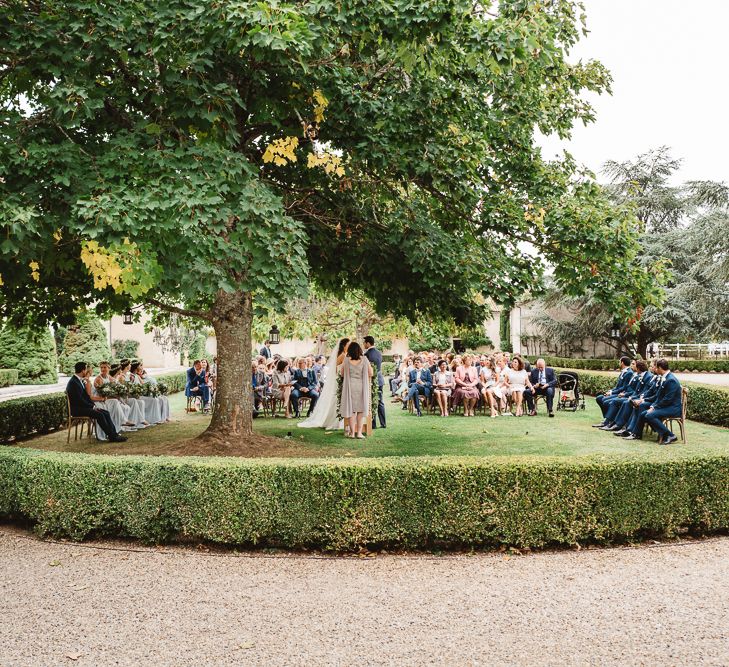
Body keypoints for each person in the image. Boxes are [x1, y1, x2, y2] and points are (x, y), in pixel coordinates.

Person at [625, 359, 683, 444]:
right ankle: (636, 434)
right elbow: (657, 396)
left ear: (660, 368)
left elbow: (668, 399)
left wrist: (654, 407)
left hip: (673, 408)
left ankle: (670, 435)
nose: (654, 369)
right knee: (643, 414)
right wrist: (648, 403)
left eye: (656, 367)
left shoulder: (671, 380)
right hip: (666, 406)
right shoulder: (665, 377)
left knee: (649, 415)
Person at [66, 361, 126, 442]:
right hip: (77, 409)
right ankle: (112, 437)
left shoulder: (78, 380)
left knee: (106, 413)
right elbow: (79, 400)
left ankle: (114, 434)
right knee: (100, 415)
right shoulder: (73, 382)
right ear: (83, 370)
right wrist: (92, 407)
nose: (87, 371)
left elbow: (86, 397)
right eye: (86, 369)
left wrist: (93, 406)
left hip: (83, 407)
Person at [298, 337, 349, 431]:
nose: (349, 346)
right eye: (348, 344)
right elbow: (336, 369)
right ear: (344, 345)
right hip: (339, 379)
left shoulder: (344, 354)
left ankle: (339, 420)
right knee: (336, 400)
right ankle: (334, 420)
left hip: (341, 379)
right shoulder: (342, 355)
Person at [600, 360, 652, 431]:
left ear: (639, 367)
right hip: (632, 395)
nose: (632, 366)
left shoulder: (647, 376)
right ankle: (612, 422)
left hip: (637, 398)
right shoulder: (638, 375)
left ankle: (618, 424)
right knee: (608, 400)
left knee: (621, 402)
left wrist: (631, 397)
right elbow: (634, 389)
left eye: (634, 364)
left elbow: (642, 392)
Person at [91, 361, 137, 436]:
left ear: (109, 368)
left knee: (120, 403)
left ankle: (117, 428)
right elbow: (102, 394)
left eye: (104, 367)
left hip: (107, 399)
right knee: (115, 402)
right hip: (100, 401)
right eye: (101, 367)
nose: (103, 369)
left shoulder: (110, 378)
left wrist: (121, 391)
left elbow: (115, 388)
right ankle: (123, 421)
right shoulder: (98, 379)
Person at [339, 341, 373, 439]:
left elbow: (342, 374)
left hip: (350, 387)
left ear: (349, 350)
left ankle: (352, 433)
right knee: (361, 411)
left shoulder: (346, 360)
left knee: (352, 410)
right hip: (361, 386)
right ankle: (359, 433)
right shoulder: (365, 359)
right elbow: (370, 373)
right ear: (359, 350)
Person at [593, 356, 634, 427]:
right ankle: (608, 418)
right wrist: (610, 391)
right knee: (599, 398)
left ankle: (608, 420)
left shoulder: (629, 373)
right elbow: (618, 386)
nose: (619, 363)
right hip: (617, 392)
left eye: (619, 361)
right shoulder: (623, 372)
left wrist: (612, 393)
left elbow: (623, 387)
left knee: (605, 401)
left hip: (621, 394)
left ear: (622, 363)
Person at [363, 335, 386, 429]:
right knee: (380, 401)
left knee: (371, 401)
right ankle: (383, 423)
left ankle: (373, 424)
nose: (363, 344)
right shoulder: (379, 353)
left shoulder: (366, 354)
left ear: (368, 343)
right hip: (380, 380)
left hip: (371, 380)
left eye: (364, 343)